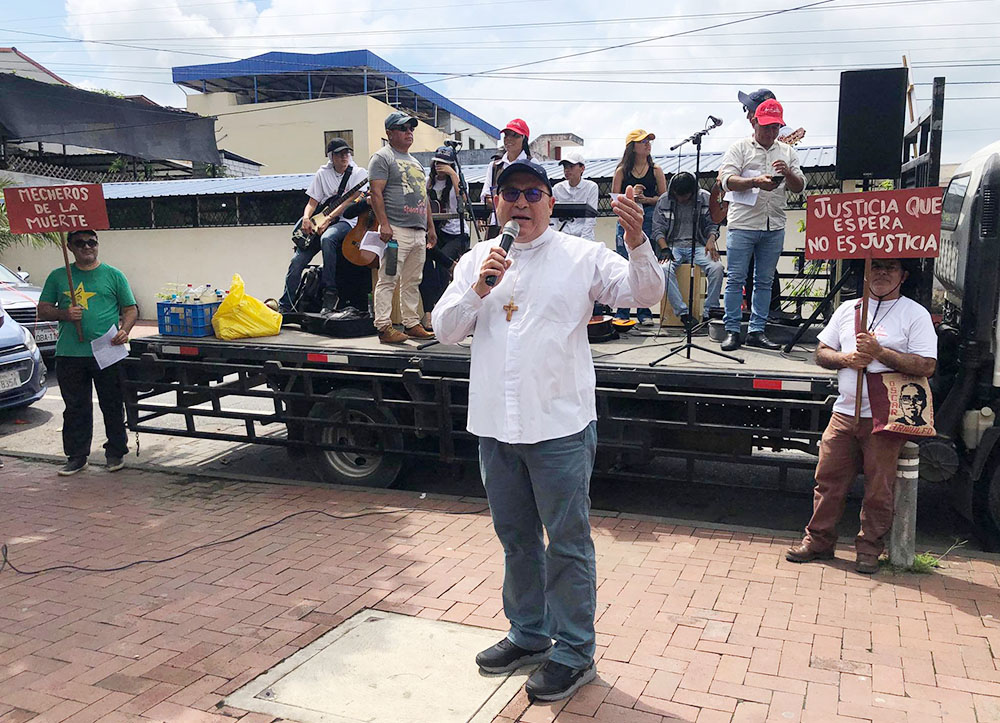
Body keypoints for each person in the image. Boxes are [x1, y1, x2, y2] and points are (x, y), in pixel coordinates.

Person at [433, 160, 662, 702]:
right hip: (495, 427)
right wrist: (479, 290)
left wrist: (635, 240)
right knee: (516, 541)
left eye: (533, 192)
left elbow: (644, 293)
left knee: (567, 543)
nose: (522, 202)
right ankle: (529, 633)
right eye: (510, 193)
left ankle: (574, 651)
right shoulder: (475, 261)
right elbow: (444, 331)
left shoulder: (580, 256)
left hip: (557, 426)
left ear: (550, 202)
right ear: (496, 203)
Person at [785, 258, 937, 574]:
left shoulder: (914, 314)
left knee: (879, 489)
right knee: (828, 480)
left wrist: (880, 353)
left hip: (885, 416)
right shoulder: (848, 310)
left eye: (890, 268)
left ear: (903, 275)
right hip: (843, 412)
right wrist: (845, 358)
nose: (881, 273)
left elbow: (926, 365)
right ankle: (818, 541)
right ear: (866, 272)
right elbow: (821, 353)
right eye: (876, 266)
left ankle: (869, 549)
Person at [37, 230, 138, 476]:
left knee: (112, 403)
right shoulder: (59, 276)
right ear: (70, 247)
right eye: (80, 243)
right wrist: (64, 314)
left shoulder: (113, 275)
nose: (86, 247)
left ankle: (115, 452)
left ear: (97, 245)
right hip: (71, 353)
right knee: (76, 407)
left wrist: (124, 330)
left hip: (108, 351)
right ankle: (77, 456)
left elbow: (130, 309)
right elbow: (43, 309)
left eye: (91, 242)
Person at [716, 99, 805, 351]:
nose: (771, 132)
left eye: (776, 127)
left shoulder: (787, 152)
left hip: (773, 224)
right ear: (754, 121)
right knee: (735, 279)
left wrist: (787, 174)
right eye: (766, 126)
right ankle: (732, 330)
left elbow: (799, 187)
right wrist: (755, 181)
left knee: (764, 281)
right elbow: (725, 181)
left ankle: (757, 330)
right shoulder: (740, 148)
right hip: (743, 223)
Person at [368, 111, 437, 344]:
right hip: (396, 228)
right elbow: (375, 192)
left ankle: (411, 322)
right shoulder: (382, 157)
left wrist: (430, 227)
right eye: (403, 128)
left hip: (418, 230)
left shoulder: (416, 162)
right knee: (388, 278)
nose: (409, 133)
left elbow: (424, 196)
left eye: (411, 129)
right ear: (389, 133)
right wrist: (384, 224)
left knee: (413, 279)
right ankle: (384, 326)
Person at [279, 137, 369, 315]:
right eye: (339, 154)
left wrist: (329, 219)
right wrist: (306, 218)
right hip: (319, 222)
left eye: (347, 153)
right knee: (297, 262)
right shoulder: (322, 174)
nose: (344, 157)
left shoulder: (359, 174)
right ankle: (286, 305)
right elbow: (313, 201)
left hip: (345, 221)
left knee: (328, 239)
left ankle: (330, 291)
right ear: (331, 156)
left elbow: (350, 201)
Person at [651, 171, 723, 329]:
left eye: (685, 196)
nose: (681, 199)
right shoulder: (664, 200)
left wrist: (711, 240)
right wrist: (664, 248)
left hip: (698, 245)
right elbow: (657, 229)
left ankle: (709, 312)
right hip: (672, 246)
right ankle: (683, 313)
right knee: (664, 269)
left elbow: (713, 224)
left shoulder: (704, 197)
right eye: (678, 196)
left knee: (717, 268)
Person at [612, 129, 666, 325]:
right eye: (642, 142)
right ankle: (622, 311)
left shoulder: (656, 170)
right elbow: (614, 198)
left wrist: (647, 199)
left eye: (648, 141)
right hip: (626, 217)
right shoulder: (621, 171)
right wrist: (631, 196)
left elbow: (664, 198)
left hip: (650, 218)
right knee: (623, 262)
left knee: (645, 262)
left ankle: (644, 312)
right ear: (632, 147)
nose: (647, 144)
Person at [419, 146, 470, 329]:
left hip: (457, 232)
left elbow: (463, 200)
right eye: (437, 163)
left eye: (444, 163)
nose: (440, 167)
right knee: (424, 262)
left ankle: (439, 309)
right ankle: (428, 311)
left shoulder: (458, 181)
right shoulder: (428, 182)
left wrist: (453, 175)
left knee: (440, 267)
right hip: (436, 230)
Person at [481, 119, 531, 234]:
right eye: (506, 135)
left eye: (515, 135)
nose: (509, 138)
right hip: (496, 224)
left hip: (521, 224)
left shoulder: (532, 164)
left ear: (524, 139)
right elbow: (486, 197)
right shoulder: (494, 166)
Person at [550, 150, 599, 241]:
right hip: (564, 237)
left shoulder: (591, 187)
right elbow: (553, 218)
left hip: (585, 238)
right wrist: (554, 238)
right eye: (565, 167)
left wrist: (584, 242)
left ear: (582, 168)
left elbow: (590, 219)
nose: (567, 170)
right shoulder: (557, 189)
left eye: (571, 166)